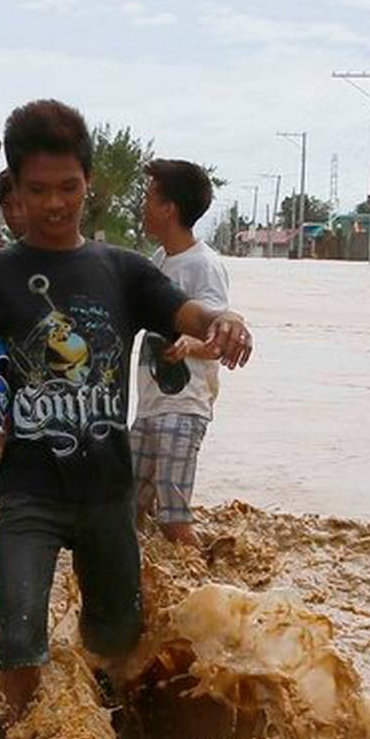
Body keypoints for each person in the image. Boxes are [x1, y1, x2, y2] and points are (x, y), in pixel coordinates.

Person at [0, 98, 252, 739]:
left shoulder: (123, 271)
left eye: (69, 187)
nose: (55, 204)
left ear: (89, 183)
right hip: (27, 495)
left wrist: (225, 321)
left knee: (116, 644)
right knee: (17, 640)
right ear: (16, 188)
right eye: (37, 190)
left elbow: (188, 314)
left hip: (109, 496)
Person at [131, 158, 231, 549]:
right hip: (150, 406)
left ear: (168, 209)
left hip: (184, 407)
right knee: (126, 507)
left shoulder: (204, 266)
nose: (142, 206)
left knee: (173, 520)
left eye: (148, 198)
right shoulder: (159, 260)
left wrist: (192, 343)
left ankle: (203, 576)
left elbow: (221, 339)